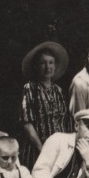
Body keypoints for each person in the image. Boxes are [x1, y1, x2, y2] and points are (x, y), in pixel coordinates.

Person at [19, 41, 73, 170]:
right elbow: (27, 123)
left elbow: (65, 121)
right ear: (36, 66)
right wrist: (42, 149)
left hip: (59, 149)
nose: (47, 67)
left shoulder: (58, 91)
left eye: (51, 63)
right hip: (37, 149)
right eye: (43, 63)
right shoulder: (30, 88)